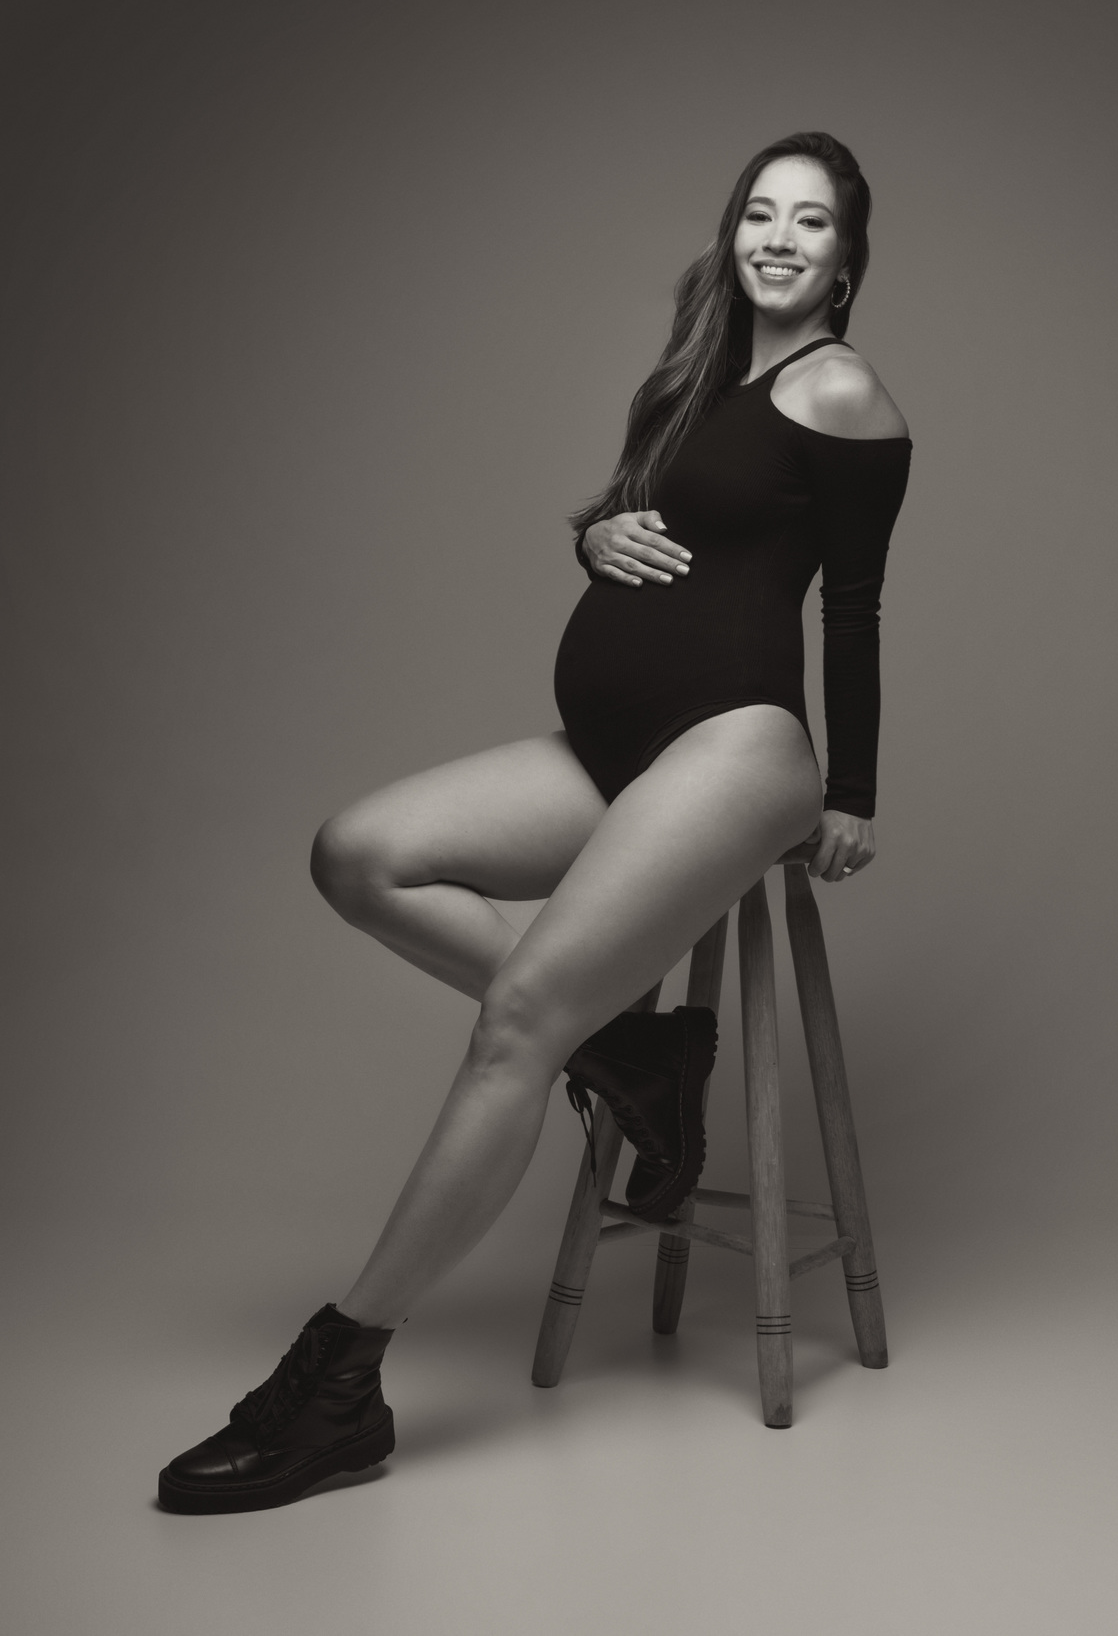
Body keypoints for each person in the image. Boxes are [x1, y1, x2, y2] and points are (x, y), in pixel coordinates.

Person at [157, 130, 911, 1514]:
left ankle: (339, 1382)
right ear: (733, 231)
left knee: (515, 1023)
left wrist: (852, 790)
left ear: (847, 260)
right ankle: (632, 1049)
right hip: (614, 748)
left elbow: (853, 604)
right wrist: (591, 537)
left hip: (738, 746)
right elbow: (634, 520)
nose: (780, 238)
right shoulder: (696, 367)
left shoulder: (841, 389)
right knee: (357, 853)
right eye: (761, 212)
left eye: (812, 222)